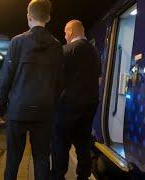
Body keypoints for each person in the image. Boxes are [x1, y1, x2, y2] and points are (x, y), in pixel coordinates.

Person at [0, 0, 63, 179]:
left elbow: (5, 78)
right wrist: (52, 107)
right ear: (48, 18)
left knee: (13, 158)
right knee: (41, 158)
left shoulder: (17, 42)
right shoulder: (56, 45)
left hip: (18, 110)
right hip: (44, 112)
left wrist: (0, 109)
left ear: (28, 16)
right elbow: (59, 82)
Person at [51, 20, 101, 180]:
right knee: (83, 142)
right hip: (90, 103)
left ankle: (59, 175)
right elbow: (98, 76)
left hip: (69, 105)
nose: (65, 36)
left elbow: (56, 78)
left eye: (66, 32)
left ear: (71, 32)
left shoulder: (66, 50)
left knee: (60, 142)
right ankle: (83, 175)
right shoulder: (95, 52)